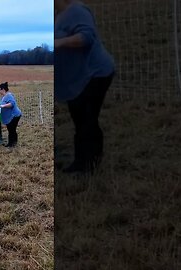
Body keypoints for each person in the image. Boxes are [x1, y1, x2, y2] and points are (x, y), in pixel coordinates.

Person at [54, 0, 115, 173]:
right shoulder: (58, 16)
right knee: (79, 117)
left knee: (86, 118)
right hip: (77, 78)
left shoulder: (77, 11)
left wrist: (59, 42)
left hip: (95, 74)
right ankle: (82, 161)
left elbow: (86, 37)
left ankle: (89, 164)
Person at [0, 82, 22, 147]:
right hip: (10, 116)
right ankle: (14, 142)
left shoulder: (9, 95)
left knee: (11, 129)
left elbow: (12, 104)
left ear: (3, 89)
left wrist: (3, 106)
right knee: (12, 129)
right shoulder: (4, 97)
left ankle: (11, 144)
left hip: (14, 115)